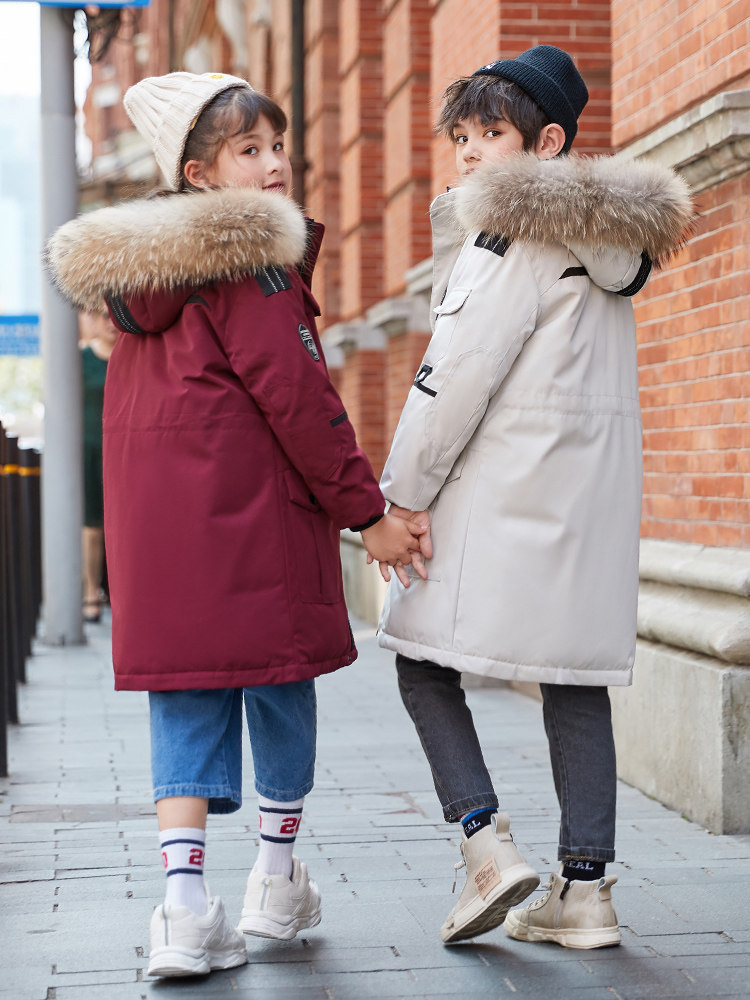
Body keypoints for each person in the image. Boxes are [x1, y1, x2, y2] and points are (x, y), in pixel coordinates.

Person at [47, 71, 428, 979]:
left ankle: (182, 910)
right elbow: (301, 399)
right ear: (199, 174)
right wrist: (367, 515)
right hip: (257, 525)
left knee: (184, 694)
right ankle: (275, 877)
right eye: (249, 150)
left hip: (165, 543)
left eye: (277, 145)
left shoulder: (139, 285)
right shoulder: (249, 263)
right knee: (279, 681)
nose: (275, 164)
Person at [374, 46, 693, 949]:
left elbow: (452, 381)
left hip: (497, 501)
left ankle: (485, 847)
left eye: (492, 133)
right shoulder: (608, 246)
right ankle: (585, 895)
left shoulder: (511, 238)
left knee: (419, 660)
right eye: (462, 136)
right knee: (573, 678)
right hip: (582, 510)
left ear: (548, 143)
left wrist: (399, 500)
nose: (471, 152)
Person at [79, 310, 119, 624]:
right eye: (103, 315)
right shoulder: (81, 360)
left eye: (113, 315)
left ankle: (123, 595)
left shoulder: (133, 356)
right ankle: (91, 592)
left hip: (125, 452)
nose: (109, 321)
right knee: (92, 526)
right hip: (90, 451)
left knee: (127, 526)